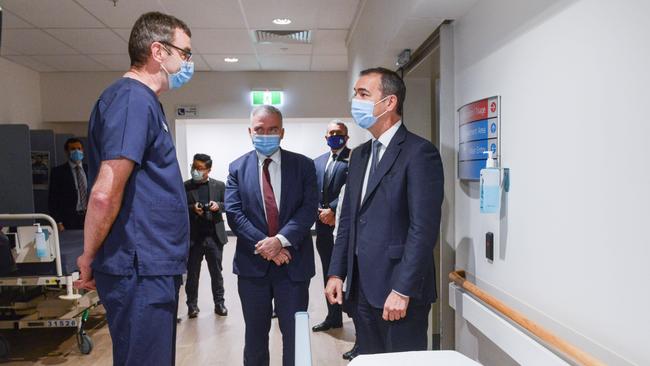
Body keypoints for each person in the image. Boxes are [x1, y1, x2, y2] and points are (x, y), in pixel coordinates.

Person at [73, 11, 194, 366]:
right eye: (184, 53)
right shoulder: (132, 100)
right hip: (139, 266)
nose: (188, 63)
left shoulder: (145, 103)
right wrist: (89, 255)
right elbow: (104, 192)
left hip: (150, 265)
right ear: (158, 51)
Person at [325, 67, 444, 355]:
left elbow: (423, 229)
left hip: (399, 292)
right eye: (355, 94)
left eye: (363, 94)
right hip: (361, 289)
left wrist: (402, 289)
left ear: (389, 102)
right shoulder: (359, 156)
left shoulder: (419, 153)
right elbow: (349, 221)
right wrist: (337, 272)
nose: (356, 100)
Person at [225, 105, 318, 366]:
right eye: (259, 130)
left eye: (272, 129)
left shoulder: (303, 166)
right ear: (249, 132)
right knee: (255, 337)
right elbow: (234, 213)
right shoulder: (237, 168)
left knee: (296, 336)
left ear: (282, 132)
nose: (266, 134)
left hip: (294, 265)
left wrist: (280, 241)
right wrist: (268, 247)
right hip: (252, 268)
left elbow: (308, 208)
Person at [312, 120, 350, 334]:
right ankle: (333, 317)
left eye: (339, 133)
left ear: (346, 137)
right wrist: (320, 212)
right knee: (329, 273)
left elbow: (353, 190)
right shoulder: (317, 162)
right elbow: (312, 190)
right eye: (331, 133)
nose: (335, 136)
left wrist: (334, 210)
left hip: (344, 226)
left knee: (351, 275)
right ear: (325, 137)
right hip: (323, 229)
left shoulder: (355, 159)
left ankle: (359, 324)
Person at [184, 153, 228, 318]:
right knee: (192, 274)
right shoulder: (185, 186)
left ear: (208, 170)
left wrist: (218, 205)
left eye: (200, 168)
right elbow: (179, 208)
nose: (196, 171)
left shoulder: (219, 185)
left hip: (214, 237)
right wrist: (192, 208)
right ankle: (192, 306)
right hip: (193, 238)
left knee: (216, 273)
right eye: (194, 167)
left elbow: (228, 204)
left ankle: (219, 303)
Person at [48, 138, 88, 231]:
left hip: (89, 217)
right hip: (69, 219)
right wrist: (58, 222)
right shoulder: (58, 172)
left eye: (79, 148)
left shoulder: (89, 170)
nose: (77, 151)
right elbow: (53, 200)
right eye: (73, 149)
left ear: (83, 150)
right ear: (67, 152)